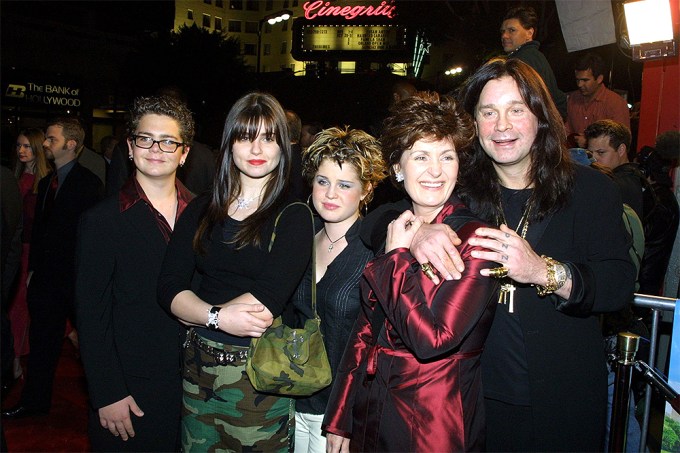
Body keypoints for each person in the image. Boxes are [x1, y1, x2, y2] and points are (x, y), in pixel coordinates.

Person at [406, 58, 635, 451]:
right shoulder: (457, 191)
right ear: (474, 124)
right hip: (472, 400)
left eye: (516, 109)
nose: (503, 126)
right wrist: (417, 231)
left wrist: (543, 271)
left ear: (541, 116)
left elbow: (618, 284)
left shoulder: (591, 190)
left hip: (561, 402)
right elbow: (376, 219)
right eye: (488, 112)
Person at [323, 91, 499, 452]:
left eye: (446, 157)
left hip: (435, 423)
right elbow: (365, 331)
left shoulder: (478, 241)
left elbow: (432, 340)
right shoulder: (396, 227)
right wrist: (340, 418)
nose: (435, 171)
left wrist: (397, 257)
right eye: (421, 157)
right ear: (398, 169)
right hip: (372, 414)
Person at [157, 92, 313, 452]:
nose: (257, 147)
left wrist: (198, 310)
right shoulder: (202, 207)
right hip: (197, 366)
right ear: (230, 144)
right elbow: (168, 287)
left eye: (269, 137)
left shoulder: (292, 215)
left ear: (283, 146)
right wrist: (216, 317)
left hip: (257, 375)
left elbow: (264, 302)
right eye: (246, 136)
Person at [75, 95, 195, 451]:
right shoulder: (101, 220)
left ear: (183, 153)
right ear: (130, 147)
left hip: (199, 386)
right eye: (145, 138)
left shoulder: (206, 215)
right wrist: (107, 392)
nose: (156, 148)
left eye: (168, 141)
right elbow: (90, 314)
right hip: (131, 388)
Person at [291, 127, 387, 453]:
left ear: (366, 189)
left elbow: (376, 346)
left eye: (344, 184)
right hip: (287, 403)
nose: (330, 194)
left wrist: (346, 419)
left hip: (338, 418)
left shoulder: (375, 250)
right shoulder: (301, 238)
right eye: (322, 181)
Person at [3, 118, 103, 419]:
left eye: (51, 139)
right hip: (47, 280)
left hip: (76, 279)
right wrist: (32, 272)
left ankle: (103, 405)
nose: (45, 144)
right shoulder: (47, 183)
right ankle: (34, 402)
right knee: (42, 344)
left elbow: (92, 237)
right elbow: (40, 233)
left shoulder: (89, 184)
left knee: (93, 345)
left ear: (70, 144)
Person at [9, 128, 51, 384]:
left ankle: (14, 362)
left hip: (29, 253)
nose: (21, 150)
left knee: (19, 309)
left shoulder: (42, 181)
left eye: (27, 146)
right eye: (18, 145)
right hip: (15, 250)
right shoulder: (17, 177)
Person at [500, 6, 567, 119]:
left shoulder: (523, 60)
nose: (504, 36)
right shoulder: (533, 56)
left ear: (529, 33)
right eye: (503, 31)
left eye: (512, 30)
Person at [566, 53, 630, 148]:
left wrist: (589, 142)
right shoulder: (573, 98)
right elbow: (568, 130)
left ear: (599, 79)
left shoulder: (615, 102)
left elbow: (623, 140)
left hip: (604, 162)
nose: (579, 84)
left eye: (585, 80)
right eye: (577, 80)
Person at [584, 119, 643, 218]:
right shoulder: (636, 176)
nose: (593, 159)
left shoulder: (614, 185)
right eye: (590, 153)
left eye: (601, 152)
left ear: (621, 150)